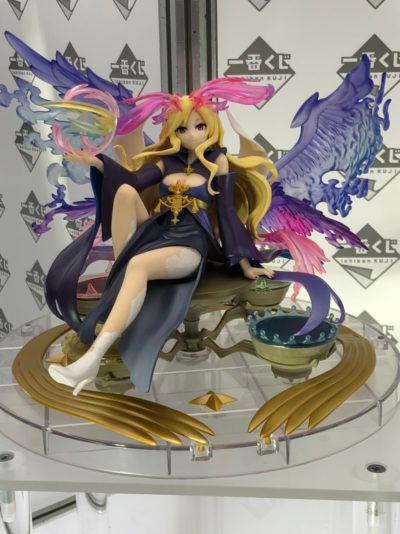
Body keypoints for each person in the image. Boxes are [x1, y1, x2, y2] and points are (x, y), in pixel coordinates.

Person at [47, 78, 279, 395]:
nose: (191, 134)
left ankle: (92, 359)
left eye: (199, 126)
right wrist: (96, 162)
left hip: (190, 244)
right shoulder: (166, 162)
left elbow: (226, 214)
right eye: (182, 129)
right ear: (173, 132)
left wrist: (245, 264)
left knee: (139, 266)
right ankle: (124, 267)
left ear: (210, 127)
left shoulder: (217, 162)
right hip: (158, 231)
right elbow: (130, 181)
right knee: (125, 192)